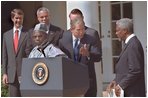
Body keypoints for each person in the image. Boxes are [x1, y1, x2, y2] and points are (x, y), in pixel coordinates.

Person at [59, 18, 101, 97]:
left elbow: (98, 57)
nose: (81, 32)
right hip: (70, 81)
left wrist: (88, 54)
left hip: (87, 80)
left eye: (83, 29)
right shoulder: (63, 40)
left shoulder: (91, 39)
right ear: (72, 29)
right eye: (78, 30)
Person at [106, 18, 146, 97]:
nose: (116, 33)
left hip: (133, 93)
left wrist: (120, 85)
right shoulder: (129, 43)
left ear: (125, 30)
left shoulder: (133, 45)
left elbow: (135, 70)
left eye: (117, 30)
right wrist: (115, 81)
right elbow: (125, 69)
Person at [2, 9, 31, 97]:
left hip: (25, 73)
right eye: (17, 18)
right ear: (12, 18)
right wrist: (4, 73)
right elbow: (4, 56)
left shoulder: (28, 34)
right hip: (11, 75)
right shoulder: (6, 35)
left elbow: (29, 53)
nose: (18, 20)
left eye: (21, 18)